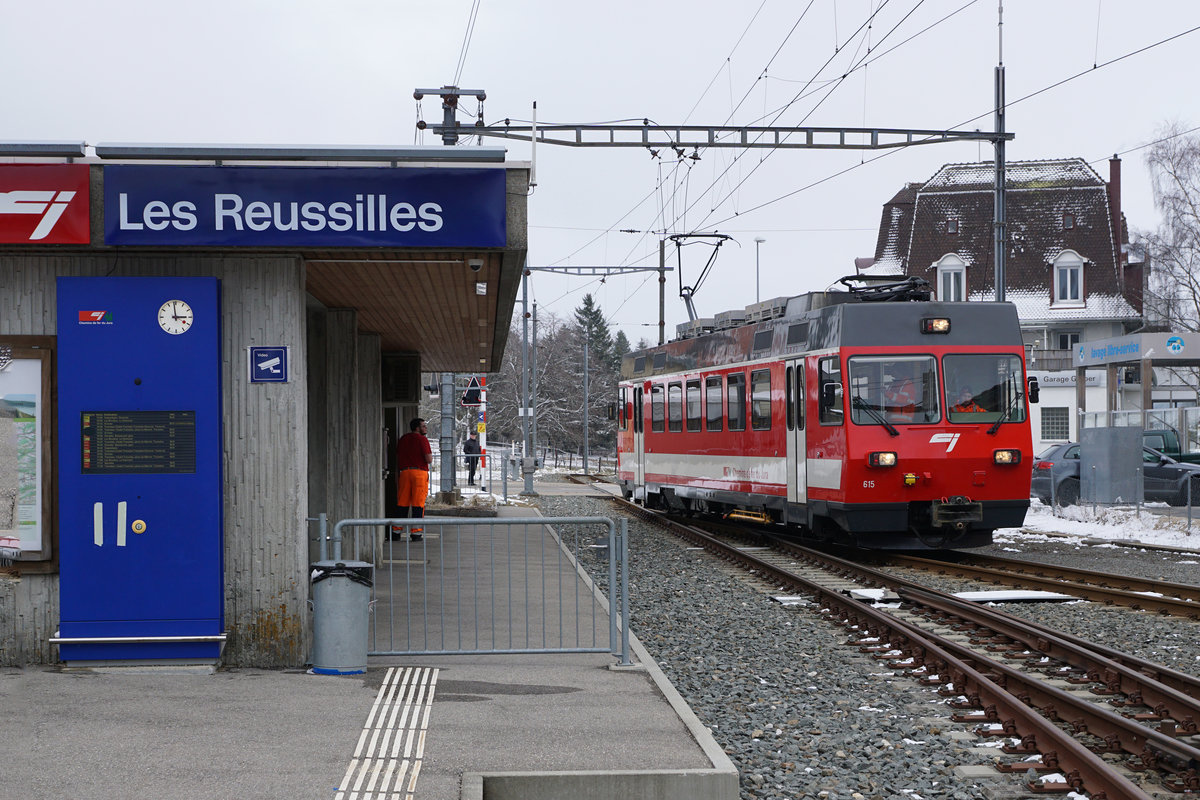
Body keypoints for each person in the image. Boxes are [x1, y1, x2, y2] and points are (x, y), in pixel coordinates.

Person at [394, 417, 432, 542]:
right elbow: (429, 459)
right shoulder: (422, 439)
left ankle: (396, 532)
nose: (425, 428)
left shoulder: (403, 439)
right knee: (418, 503)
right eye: (423, 426)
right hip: (419, 473)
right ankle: (416, 533)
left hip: (404, 473)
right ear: (417, 428)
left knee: (402, 503)